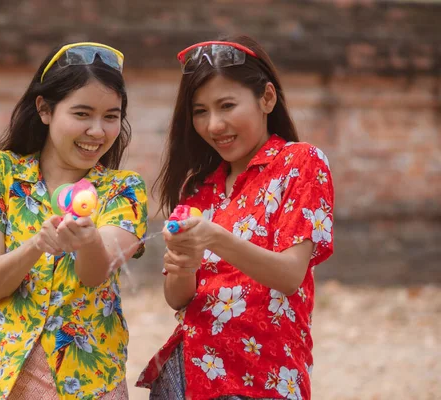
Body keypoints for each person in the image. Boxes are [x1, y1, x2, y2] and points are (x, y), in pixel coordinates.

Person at [136, 36, 334, 400]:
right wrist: (182, 265)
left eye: (227, 105)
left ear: (267, 98)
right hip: (185, 377)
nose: (214, 125)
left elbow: (290, 275)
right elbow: (178, 299)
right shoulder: (198, 189)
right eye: (200, 111)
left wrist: (213, 238)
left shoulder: (299, 164)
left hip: (262, 379)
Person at [0, 42, 148, 400]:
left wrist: (87, 240)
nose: (98, 130)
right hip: (2, 381)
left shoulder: (125, 190)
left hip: (91, 386)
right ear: (44, 110)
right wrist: (36, 245)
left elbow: (93, 275)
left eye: (111, 116)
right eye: (82, 114)